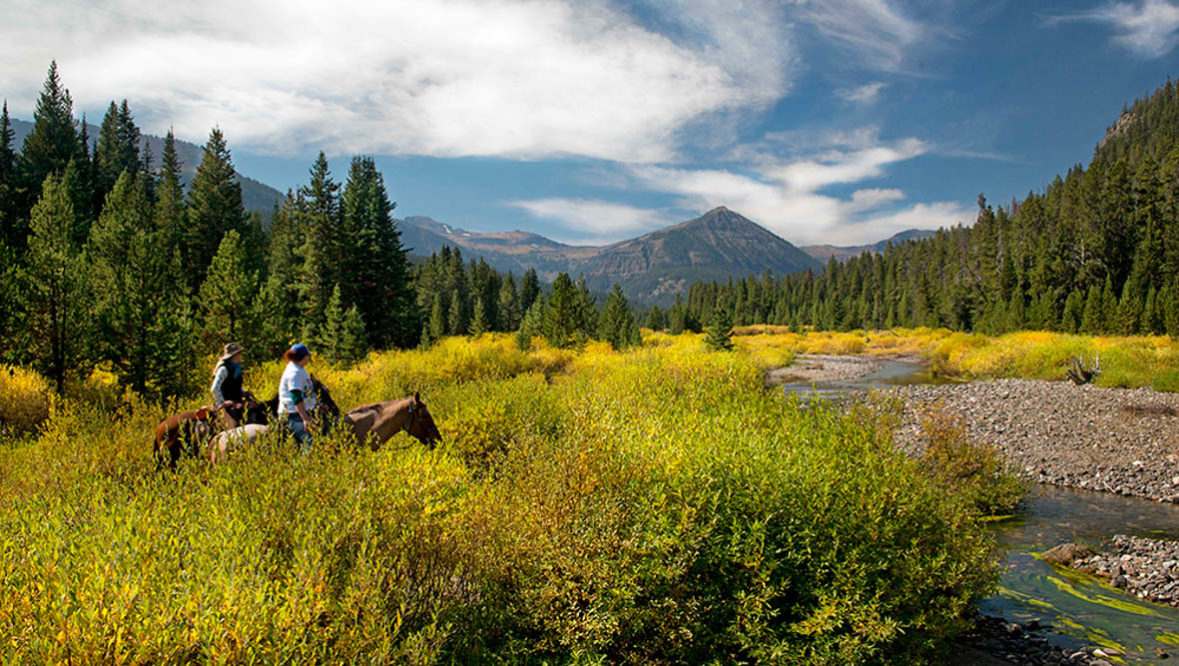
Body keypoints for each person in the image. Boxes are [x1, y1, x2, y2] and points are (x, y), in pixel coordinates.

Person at [278, 343, 317, 451]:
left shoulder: (299, 370)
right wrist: (305, 419)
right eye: (307, 356)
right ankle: (306, 466)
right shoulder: (294, 373)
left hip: (298, 413)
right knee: (310, 442)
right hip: (292, 414)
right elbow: (296, 397)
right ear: (304, 357)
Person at [210, 342, 251, 429]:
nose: (241, 356)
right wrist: (222, 402)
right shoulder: (223, 369)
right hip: (226, 403)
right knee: (232, 425)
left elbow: (235, 386)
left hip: (236, 401)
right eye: (239, 354)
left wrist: (244, 393)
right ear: (234, 355)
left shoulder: (237, 368)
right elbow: (214, 388)